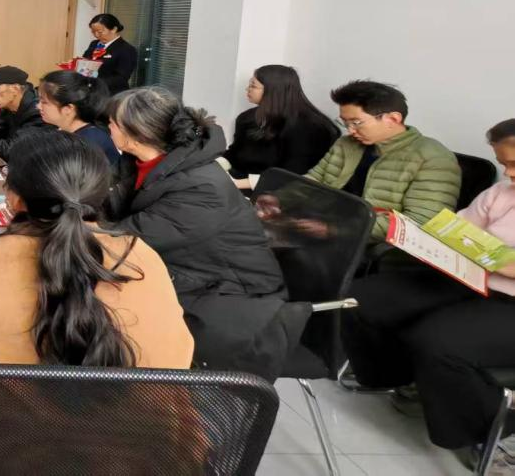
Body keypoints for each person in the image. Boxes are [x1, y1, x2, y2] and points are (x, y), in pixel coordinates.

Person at [0, 131, 193, 475]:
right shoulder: (142, 256)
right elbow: (178, 359)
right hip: (143, 457)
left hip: (1, 457)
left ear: (13, 198)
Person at [340, 119, 515, 462]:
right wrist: (427, 241)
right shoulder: (500, 193)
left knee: (437, 342)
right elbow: (461, 230)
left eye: (514, 164)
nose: (508, 174)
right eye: (504, 164)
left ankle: (490, 430)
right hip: (470, 279)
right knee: (360, 300)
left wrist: (500, 263)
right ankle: (402, 379)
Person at [106, 86, 290, 378]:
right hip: (188, 267)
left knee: (104, 302)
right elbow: (111, 203)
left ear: (135, 133)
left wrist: (75, 227)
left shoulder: (201, 187)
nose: (108, 128)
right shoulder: (146, 161)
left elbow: (128, 239)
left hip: (227, 290)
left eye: (112, 123)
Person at [306, 80, 461, 240]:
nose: (351, 131)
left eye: (356, 123)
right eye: (345, 123)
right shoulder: (346, 144)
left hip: (362, 240)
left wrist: (335, 229)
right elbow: (312, 181)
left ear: (393, 119)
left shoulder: (433, 158)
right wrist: (287, 200)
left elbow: (420, 221)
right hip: (321, 220)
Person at [222, 65, 339, 189]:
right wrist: (215, 166)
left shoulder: (309, 127)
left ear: (273, 90)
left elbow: (292, 175)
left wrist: (236, 184)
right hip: (239, 181)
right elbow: (234, 154)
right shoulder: (247, 118)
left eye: (253, 86)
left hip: (282, 191)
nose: (247, 89)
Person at [38, 69, 119, 165]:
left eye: (44, 102)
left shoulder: (87, 144)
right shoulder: (67, 131)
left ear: (68, 108)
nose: (38, 106)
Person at [80, 13, 139, 92]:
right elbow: (85, 62)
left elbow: (121, 78)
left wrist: (95, 83)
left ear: (114, 29)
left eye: (100, 32)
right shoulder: (94, 44)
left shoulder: (126, 49)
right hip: (91, 91)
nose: (96, 35)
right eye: (93, 32)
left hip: (111, 93)